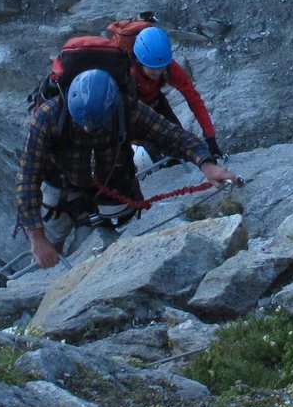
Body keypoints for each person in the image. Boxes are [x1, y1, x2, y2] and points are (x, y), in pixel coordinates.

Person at [15, 67, 238, 269]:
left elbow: (173, 137)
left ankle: (84, 267)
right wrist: (37, 238)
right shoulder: (48, 116)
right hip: (61, 182)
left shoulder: (127, 109)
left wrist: (207, 165)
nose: (86, 129)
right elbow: (27, 176)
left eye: (95, 125)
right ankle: (47, 274)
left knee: (95, 246)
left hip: (110, 183)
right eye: (81, 122)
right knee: (50, 241)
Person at [127, 24, 222, 159]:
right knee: (146, 155)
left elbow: (194, 99)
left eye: (161, 68)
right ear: (139, 61)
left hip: (157, 102)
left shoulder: (170, 68)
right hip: (133, 111)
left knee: (180, 143)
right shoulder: (127, 75)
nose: (158, 72)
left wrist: (210, 137)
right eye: (152, 68)